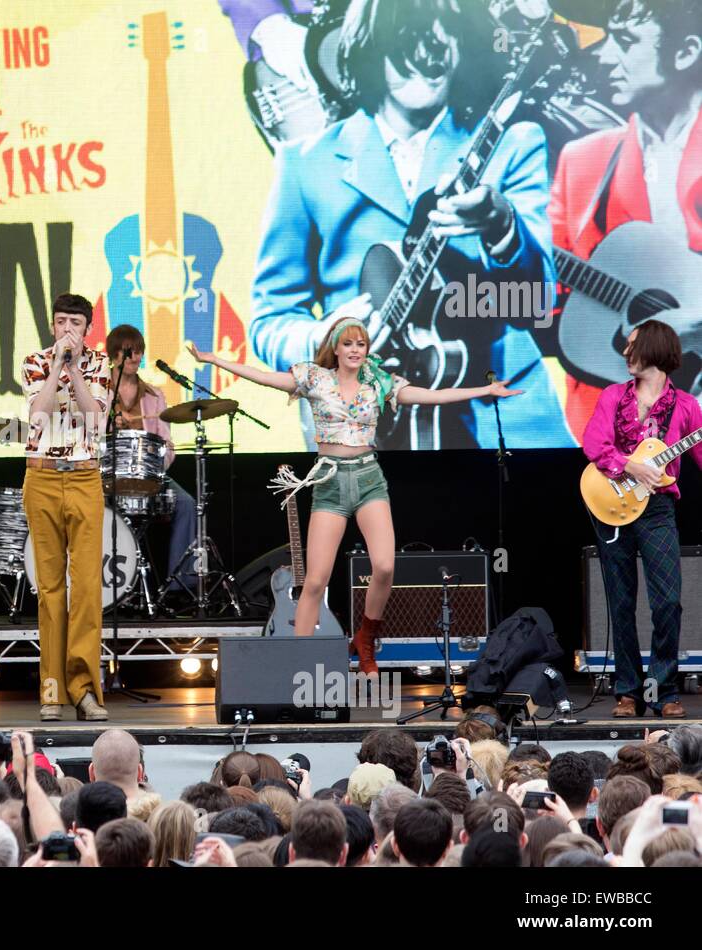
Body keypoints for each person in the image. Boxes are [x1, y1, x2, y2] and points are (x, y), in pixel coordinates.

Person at [248, 0, 571, 450]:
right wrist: (323, 337)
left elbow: (538, 297)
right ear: (368, 48)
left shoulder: (514, 143)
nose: (426, 58)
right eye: (406, 43)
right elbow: (270, 319)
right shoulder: (305, 165)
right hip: (365, 434)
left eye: (442, 40)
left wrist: (502, 228)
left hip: (507, 425)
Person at [188, 315, 520, 672]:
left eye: (361, 344)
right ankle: (297, 663)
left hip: (367, 478)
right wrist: (213, 360)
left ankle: (365, 637)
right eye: (348, 343)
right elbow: (266, 377)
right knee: (315, 580)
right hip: (330, 482)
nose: (355, 350)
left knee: (384, 565)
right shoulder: (316, 378)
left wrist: (485, 391)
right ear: (336, 347)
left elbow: (431, 396)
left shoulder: (377, 382)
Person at [549, 0, 702, 438]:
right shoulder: (581, 162)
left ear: (685, 51)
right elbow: (547, 295)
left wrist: (691, 328)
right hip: (613, 429)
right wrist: (504, 240)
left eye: (626, 40)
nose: (602, 54)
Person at [581, 320, 701, 718]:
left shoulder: (686, 405)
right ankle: (628, 692)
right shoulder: (614, 396)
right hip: (612, 505)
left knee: (668, 602)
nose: (624, 353)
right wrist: (631, 466)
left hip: (658, 509)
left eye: (631, 345)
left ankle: (664, 690)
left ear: (651, 349)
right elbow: (594, 444)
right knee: (621, 603)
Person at [22, 292, 112, 721]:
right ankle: (52, 691)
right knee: (50, 590)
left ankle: (85, 690)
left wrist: (74, 367)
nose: (66, 330)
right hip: (41, 475)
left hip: (83, 474)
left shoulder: (99, 364)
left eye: (75, 323)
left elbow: (95, 418)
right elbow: (36, 417)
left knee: (87, 588)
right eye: (60, 322)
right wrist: (57, 364)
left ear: (87, 328)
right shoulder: (33, 361)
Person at [103, 324, 198, 594]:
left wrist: (154, 468)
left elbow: (168, 446)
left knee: (187, 504)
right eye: (129, 352)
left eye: (139, 352)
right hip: (107, 475)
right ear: (114, 354)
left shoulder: (155, 396)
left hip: (148, 474)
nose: (136, 357)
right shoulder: (98, 395)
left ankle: (181, 586)